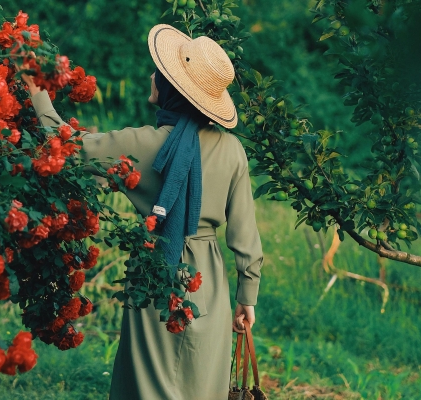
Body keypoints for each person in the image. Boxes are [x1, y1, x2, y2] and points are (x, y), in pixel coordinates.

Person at [21, 23, 264, 400]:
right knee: (202, 381)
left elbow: (64, 145)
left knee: (147, 385)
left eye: (160, 72)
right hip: (210, 280)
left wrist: (36, 89)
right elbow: (245, 236)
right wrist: (247, 295)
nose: (153, 75)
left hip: (154, 272)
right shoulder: (232, 150)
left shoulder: (144, 144)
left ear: (172, 89)